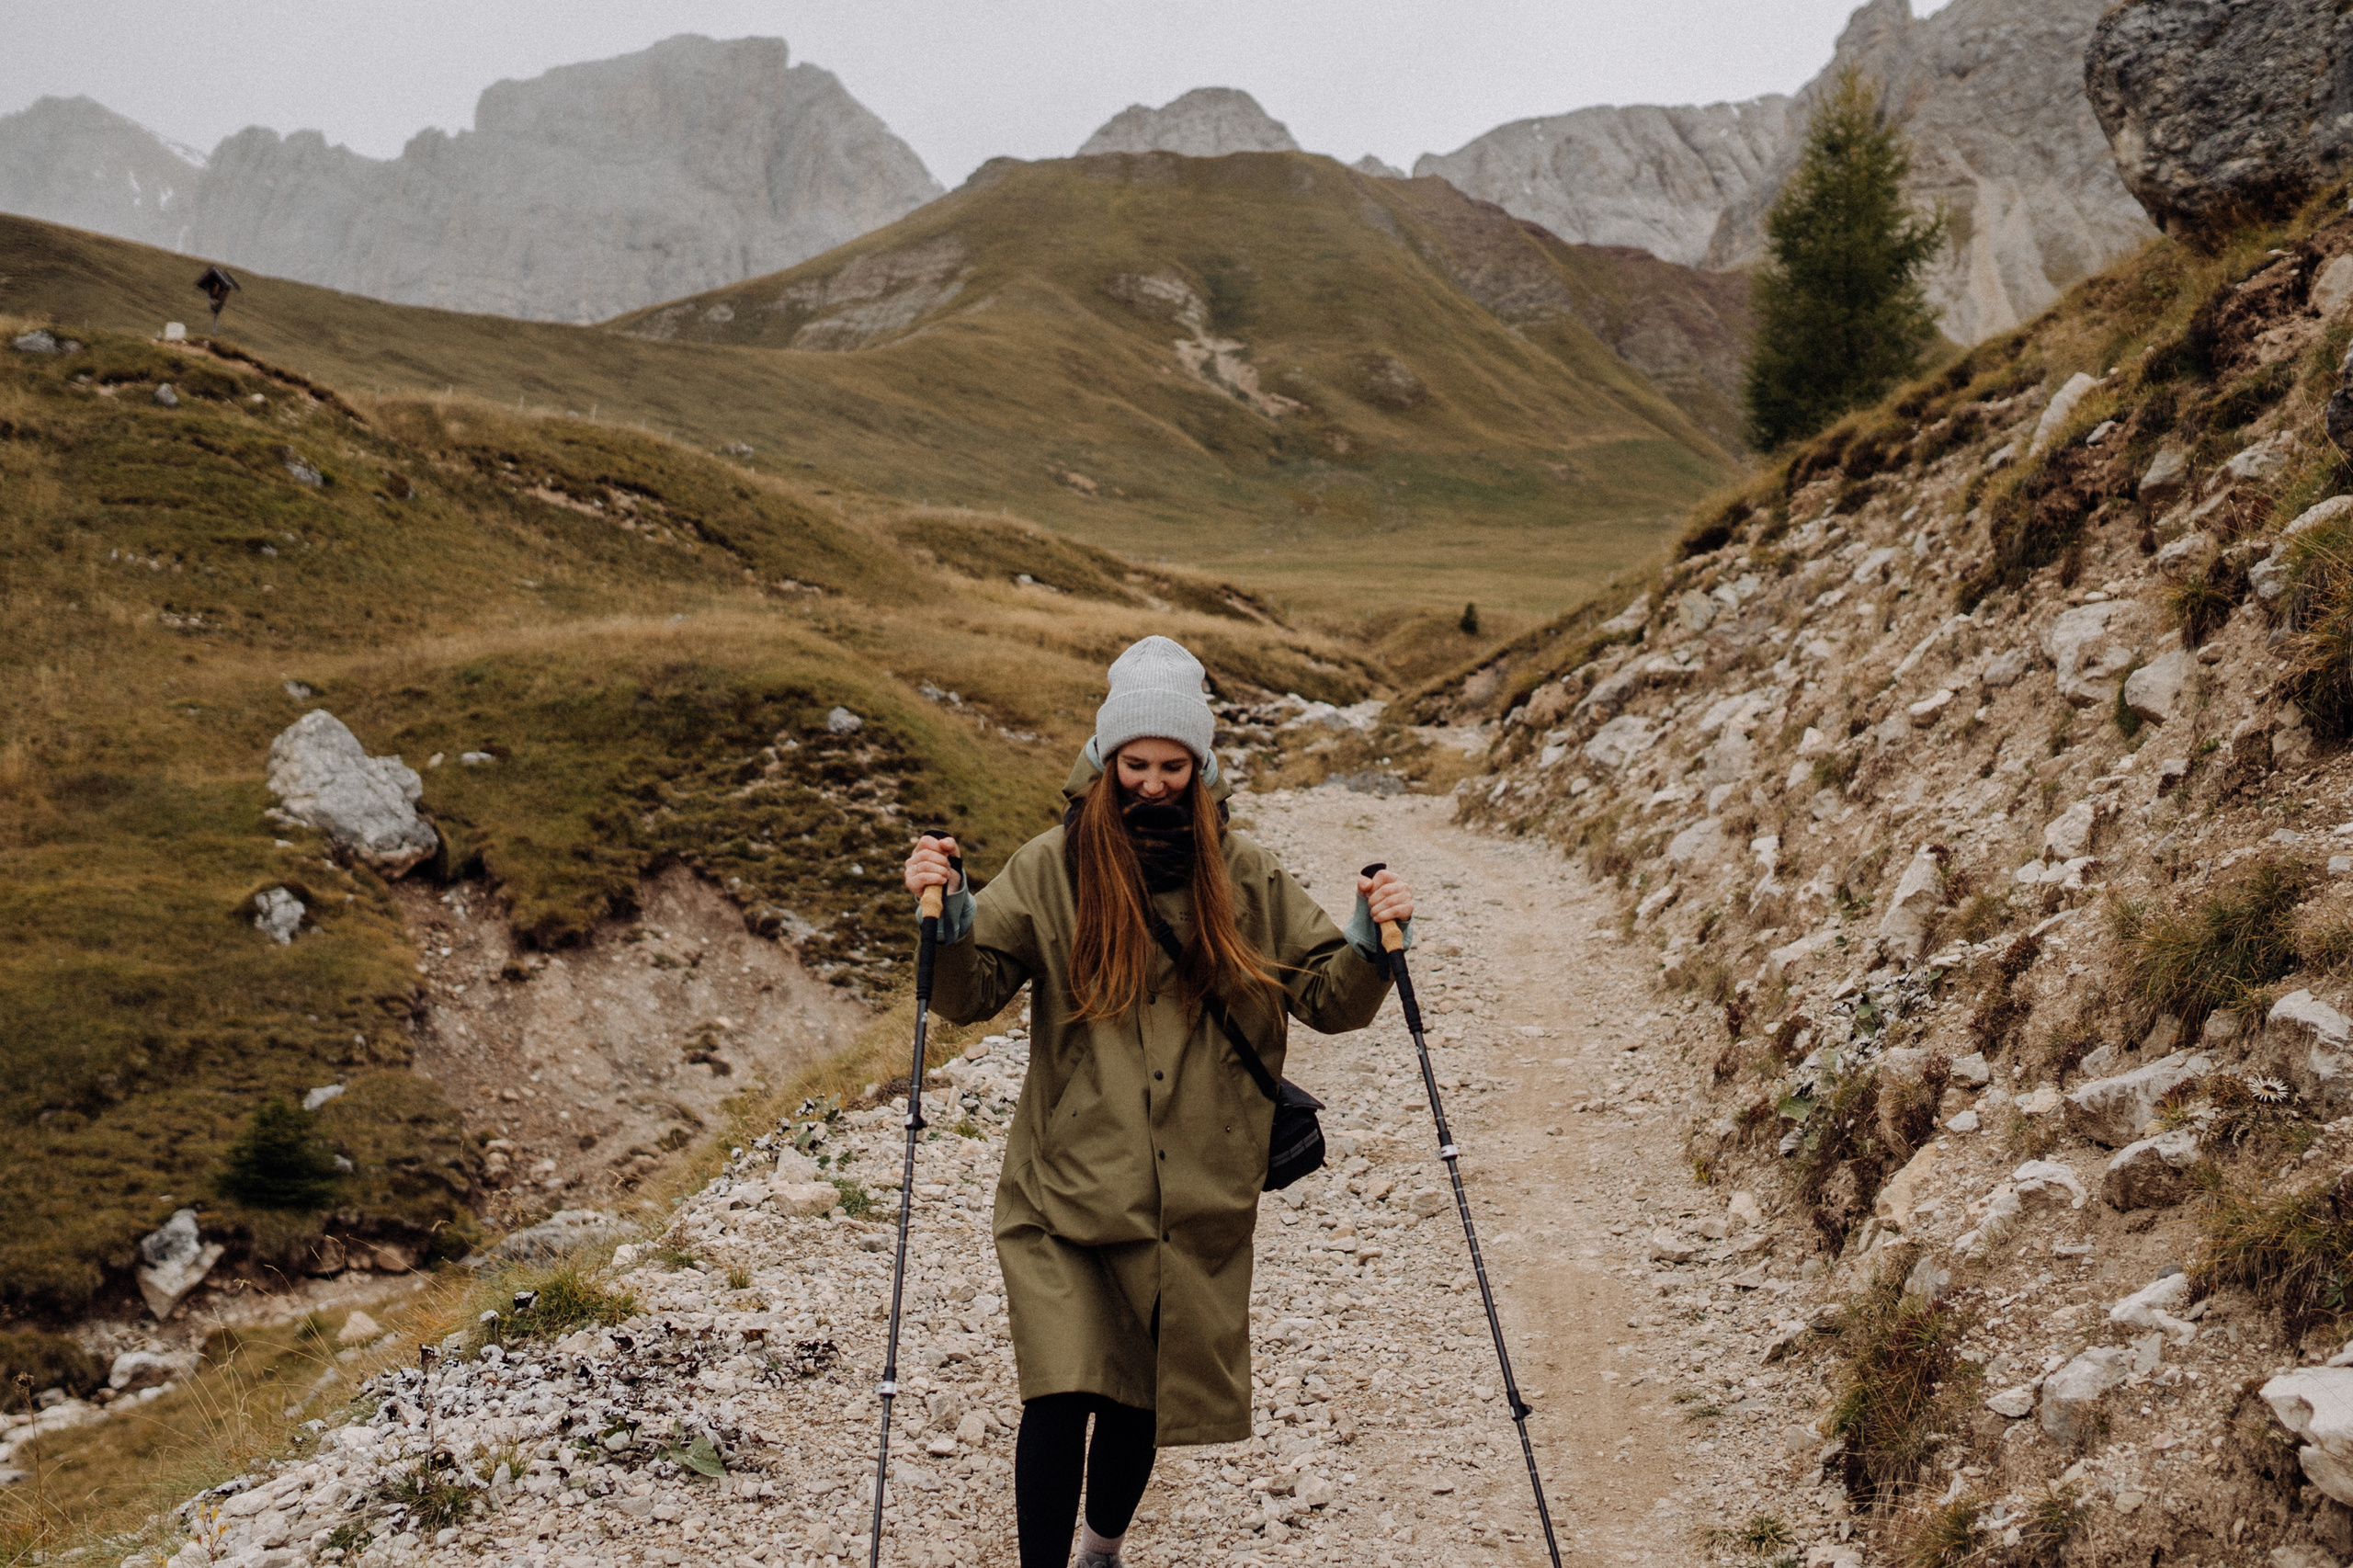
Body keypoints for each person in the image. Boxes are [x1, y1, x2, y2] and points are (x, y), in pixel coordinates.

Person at [902, 635, 1415, 1568]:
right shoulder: (1051, 867)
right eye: (1134, 763)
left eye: (1171, 766)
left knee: (1136, 1396)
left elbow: (1329, 1001)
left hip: (1186, 1199)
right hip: (1062, 1192)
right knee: (1061, 1390)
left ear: (1199, 765)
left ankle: (1101, 1549)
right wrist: (953, 922)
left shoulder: (1245, 873)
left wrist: (1369, 945)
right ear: (1105, 759)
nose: (1151, 783)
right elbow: (970, 995)